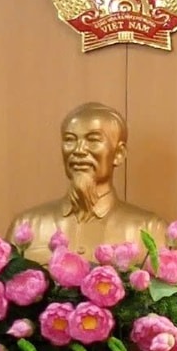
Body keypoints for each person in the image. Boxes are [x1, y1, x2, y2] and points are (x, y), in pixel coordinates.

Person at [9, 102, 168, 257]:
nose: (79, 150)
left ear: (118, 154)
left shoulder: (150, 230)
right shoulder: (26, 226)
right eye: (70, 139)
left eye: (93, 140)